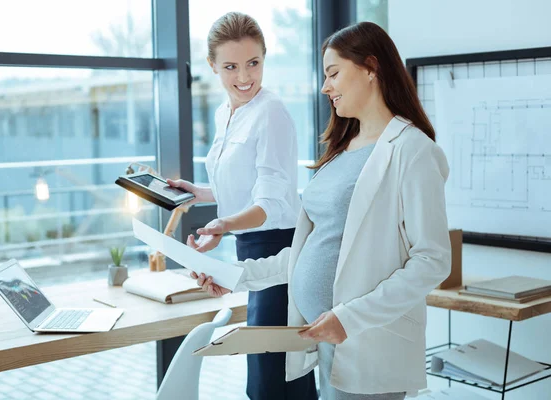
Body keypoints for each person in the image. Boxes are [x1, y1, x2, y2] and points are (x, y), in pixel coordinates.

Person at [192, 21, 452, 400]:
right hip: (325, 343)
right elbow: (308, 251)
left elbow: (431, 261)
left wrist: (348, 320)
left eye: (333, 73)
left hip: (367, 344)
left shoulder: (413, 151)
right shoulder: (340, 151)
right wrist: (235, 276)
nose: (325, 87)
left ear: (370, 68)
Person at [168, 12, 317, 400]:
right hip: (250, 243)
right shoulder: (226, 113)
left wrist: (223, 225)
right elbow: (242, 184)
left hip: (279, 248)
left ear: (265, 59)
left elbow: (268, 202)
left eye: (254, 63)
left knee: (275, 378)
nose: (244, 76)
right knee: (267, 374)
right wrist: (197, 192)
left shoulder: (271, 113)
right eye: (231, 66)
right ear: (212, 66)